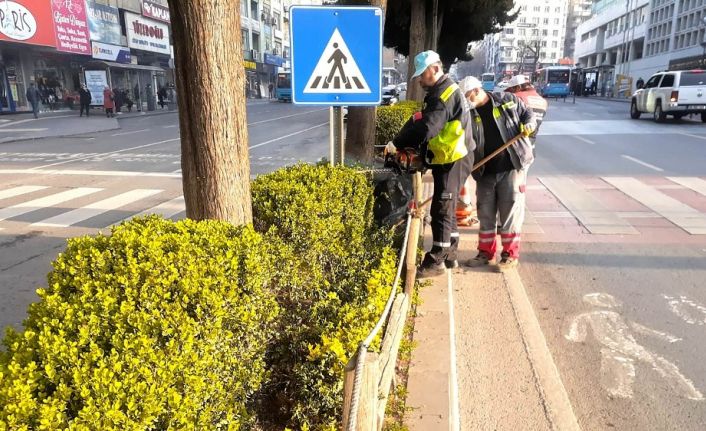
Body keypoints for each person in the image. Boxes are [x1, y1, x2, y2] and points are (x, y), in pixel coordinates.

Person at [388, 50, 475, 278]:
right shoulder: (444, 90)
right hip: (456, 155)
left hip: (453, 157)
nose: (419, 79)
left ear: (435, 69)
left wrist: (397, 142)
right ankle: (451, 255)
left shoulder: (442, 95)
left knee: (442, 208)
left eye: (422, 74)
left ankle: (436, 260)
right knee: (448, 205)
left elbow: (428, 128)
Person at [460, 75, 536, 272]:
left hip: (511, 167)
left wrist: (529, 124)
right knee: (485, 213)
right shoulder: (469, 115)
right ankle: (485, 253)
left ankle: (510, 255)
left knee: (510, 212)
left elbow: (528, 114)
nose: (468, 101)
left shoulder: (507, 100)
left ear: (477, 91)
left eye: (469, 96)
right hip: (484, 171)